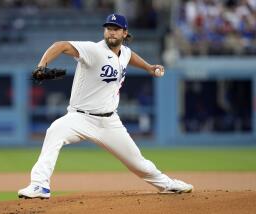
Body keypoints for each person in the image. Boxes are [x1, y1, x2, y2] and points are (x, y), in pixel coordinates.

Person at [18, 14, 193, 199]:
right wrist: (41, 66)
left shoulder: (124, 52)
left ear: (125, 33)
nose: (111, 32)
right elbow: (61, 45)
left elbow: (129, 56)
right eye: (108, 28)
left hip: (110, 122)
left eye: (116, 29)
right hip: (79, 117)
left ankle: (168, 185)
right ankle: (39, 185)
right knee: (54, 131)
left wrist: (149, 67)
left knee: (138, 164)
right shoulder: (93, 50)